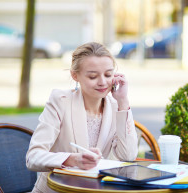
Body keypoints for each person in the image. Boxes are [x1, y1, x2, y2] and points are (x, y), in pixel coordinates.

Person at [26, 42, 138, 193]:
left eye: (108, 74)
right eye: (93, 76)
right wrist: (72, 159)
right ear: (75, 75)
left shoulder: (115, 106)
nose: (103, 82)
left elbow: (128, 156)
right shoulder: (60, 101)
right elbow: (33, 157)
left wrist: (123, 102)